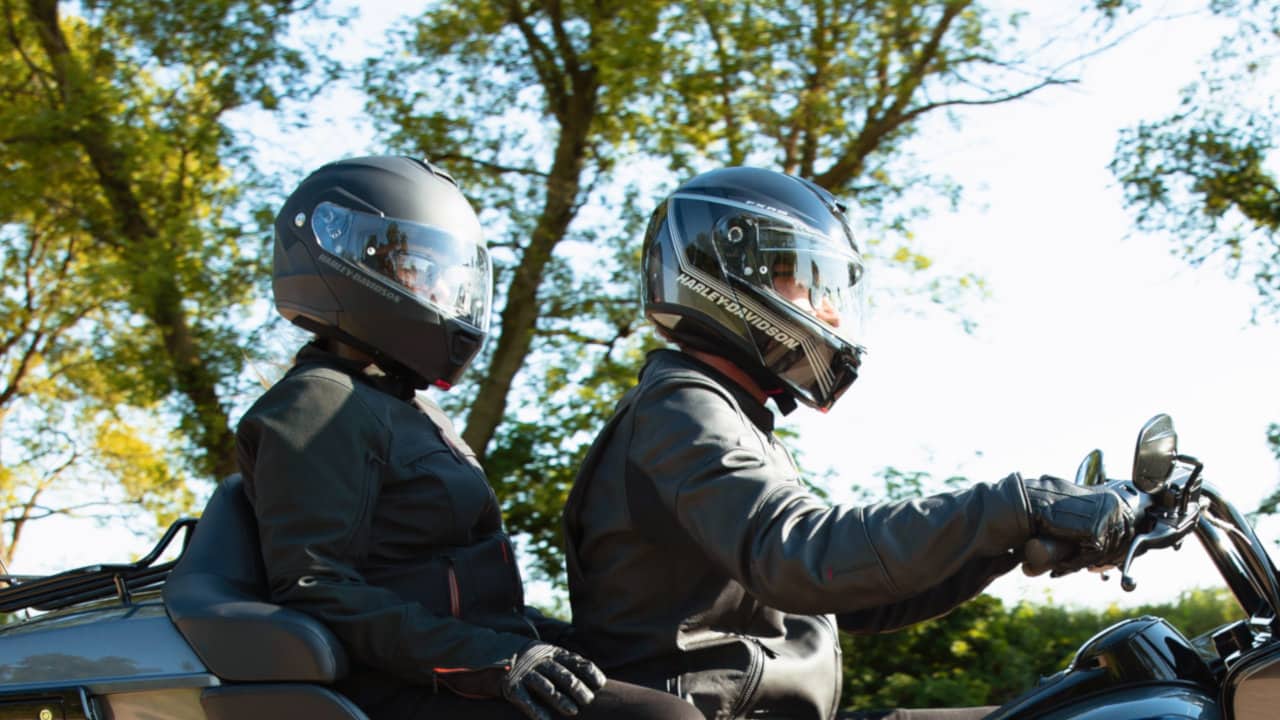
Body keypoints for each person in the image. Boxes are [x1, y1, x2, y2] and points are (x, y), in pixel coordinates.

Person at [561, 167, 1136, 720]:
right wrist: (1018, 505)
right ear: (730, 273)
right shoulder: (679, 406)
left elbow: (855, 594)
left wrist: (1014, 541)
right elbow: (800, 555)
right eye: (807, 283)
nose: (831, 312)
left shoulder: (731, 418)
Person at [236, 155, 702, 720]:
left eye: (445, 272)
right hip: (403, 685)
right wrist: (496, 660)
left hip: (464, 669)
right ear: (348, 260)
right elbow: (317, 587)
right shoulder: (318, 403)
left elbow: (474, 593)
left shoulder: (409, 410)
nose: (440, 288)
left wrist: (571, 644)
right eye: (419, 267)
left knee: (682, 688)